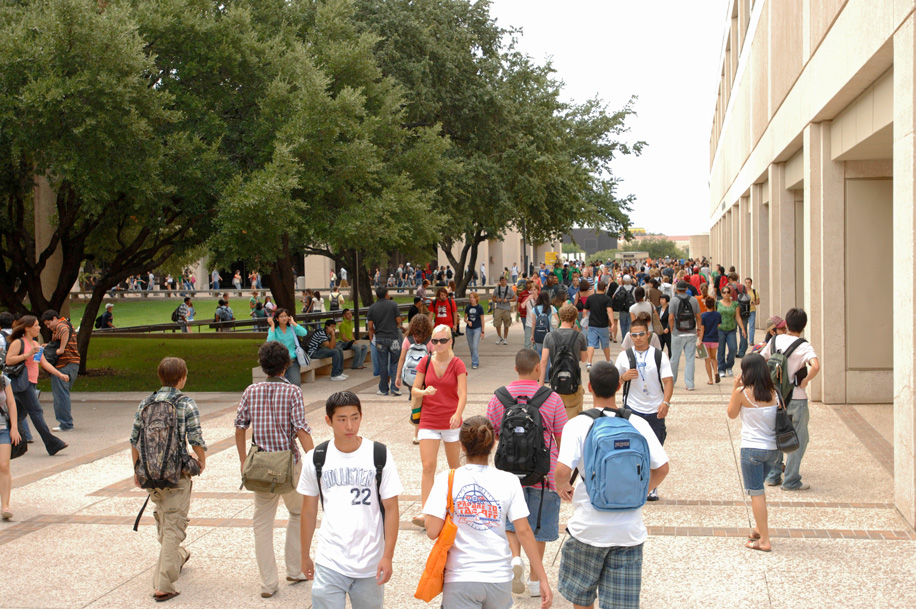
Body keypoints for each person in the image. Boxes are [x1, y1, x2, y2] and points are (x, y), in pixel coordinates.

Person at [555, 362, 669, 609]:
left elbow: (562, 471)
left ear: (588, 387)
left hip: (587, 530)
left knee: (582, 600)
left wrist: (561, 486)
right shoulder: (637, 423)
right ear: (619, 386)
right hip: (628, 532)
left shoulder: (576, 425)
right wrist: (639, 491)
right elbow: (662, 468)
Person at [423, 416, 553, 608]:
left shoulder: (447, 479)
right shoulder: (509, 480)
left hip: (460, 578)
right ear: (492, 445)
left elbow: (432, 531)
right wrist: (542, 579)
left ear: (462, 446)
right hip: (499, 578)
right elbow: (524, 531)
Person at [298, 391, 402, 609]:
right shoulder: (316, 458)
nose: (349, 426)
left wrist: (388, 556)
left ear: (361, 416)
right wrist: (305, 554)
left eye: (355, 418)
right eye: (342, 419)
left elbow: (391, 508)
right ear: (328, 420)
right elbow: (308, 510)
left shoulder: (379, 454)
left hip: (370, 561)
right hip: (330, 559)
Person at [235, 342, 314, 597]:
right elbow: (301, 429)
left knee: (262, 524)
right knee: (298, 513)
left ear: (262, 365)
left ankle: (268, 583)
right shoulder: (292, 393)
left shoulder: (251, 391)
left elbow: (239, 427)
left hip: (260, 466)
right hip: (288, 464)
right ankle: (295, 568)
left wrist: (242, 461)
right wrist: (314, 460)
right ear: (286, 364)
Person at [486, 350, 566, 598]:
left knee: (513, 521)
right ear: (537, 369)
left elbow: (493, 433)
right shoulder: (552, 398)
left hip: (509, 474)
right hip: (544, 474)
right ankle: (534, 580)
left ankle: (515, 558)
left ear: (515, 368)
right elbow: (561, 437)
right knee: (538, 525)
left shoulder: (499, 397)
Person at [130, 357, 207, 602]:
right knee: (173, 524)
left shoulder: (146, 403)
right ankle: (163, 584)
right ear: (182, 377)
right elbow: (195, 439)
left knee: (165, 519)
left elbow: (134, 440)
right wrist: (202, 461)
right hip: (177, 474)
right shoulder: (186, 404)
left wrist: (137, 469)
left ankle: (178, 555)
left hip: (150, 473)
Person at [410, 324, 467, 528]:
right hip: (429, 420)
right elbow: (415, 389)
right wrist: (424, 392)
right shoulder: (425, 362)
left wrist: (458, 414)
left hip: (451, 420)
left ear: (451, 341)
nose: (439, 344)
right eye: (435, 341)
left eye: (443, 340)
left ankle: (456, 508)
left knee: (455, 468)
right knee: (428, 467)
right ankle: (427, 512)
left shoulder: (458, 364)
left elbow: (463, 393)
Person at [759, 308, 820, 491]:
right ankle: (791, 480)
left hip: (776, 397)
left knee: (776, 432)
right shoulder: (804, 346)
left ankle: (773, 475)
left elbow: (761, 360)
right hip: (796, 398)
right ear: (804, 325)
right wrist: (805, 381)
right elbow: (815, 366)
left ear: (786, 323)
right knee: (799, 438)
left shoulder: (775, 340)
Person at [615, 317, 673, 500]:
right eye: (634, 335)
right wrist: (623, 378)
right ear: (630, 336)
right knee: (633, 448)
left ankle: (651, 486)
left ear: (648, 334)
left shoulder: (659, 355)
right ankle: (636, 483)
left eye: (641, 334)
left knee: (655, 448)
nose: (638, 338)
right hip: (633, 409)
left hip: (655, 409)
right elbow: (613, 385)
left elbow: (668, 381)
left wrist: (666, 402)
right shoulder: (624, 356)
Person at [727, 353, 780, 552]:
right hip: (772, 451)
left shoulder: (742, 392)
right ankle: (759, 528)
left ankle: (764, 540)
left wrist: (734, 389)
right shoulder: (775, 392)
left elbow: (731, 415)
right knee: (760, 491)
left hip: (751, 450)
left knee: (756, 493)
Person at [5, 316, 69, 455]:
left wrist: (59, 374)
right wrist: (26, 355)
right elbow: (9, 360)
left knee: (19, 416)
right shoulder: (18, 343)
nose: (39, 328)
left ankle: (11, 443)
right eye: (36, 325)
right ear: (27, 328)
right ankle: (52, 443)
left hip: (31, 382)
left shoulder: (35, 344)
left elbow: (44, 363)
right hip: (22, 383)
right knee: (36, 412)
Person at [540, 303, 588, 420]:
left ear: (560, 318)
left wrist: (541, 386)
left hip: (556, 384)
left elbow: (544, 361)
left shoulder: (549, 336)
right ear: (574, 319)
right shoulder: (579, 336)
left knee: (557, 420)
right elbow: (584, 358)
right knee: (575, 420)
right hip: (575, 383)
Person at [38, 310, 80, 432]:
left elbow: (64, 332)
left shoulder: (61, 325)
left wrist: (61, 349)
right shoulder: (67, 324)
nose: (48, 327)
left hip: (64, 364)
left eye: (48, 323)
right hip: (73, 364)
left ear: (54, 319)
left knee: (60, 395)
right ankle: (66, 422)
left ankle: (65, 424)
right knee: (63, 393)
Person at [367, 287, 403, 397]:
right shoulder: (393, 305)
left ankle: (383, 389)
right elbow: (398, 320)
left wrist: (375, 332)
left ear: (376, 295)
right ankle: (395, 387)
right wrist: (396, 326)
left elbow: (370, 325)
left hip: (380, 338)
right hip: (393, 337)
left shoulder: (372, 308)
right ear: (387, 294)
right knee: (395, 362)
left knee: (382, 363)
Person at [668, 280, 702, 391]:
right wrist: (698, 328)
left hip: (678, 333)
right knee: (690, 359)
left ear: (676, 289)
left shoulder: (673, 300)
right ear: (686, 289)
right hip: (691, 332)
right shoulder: (693, 300)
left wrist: (672, 329)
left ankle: (671, 383)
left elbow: (671, 317)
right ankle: (690, 384)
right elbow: (698, 316)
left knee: (674, 359)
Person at [266, 309, 308, 386]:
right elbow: (269, 342)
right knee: (280, 384)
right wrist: (272, 325)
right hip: (279, 360)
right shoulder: (274, 329)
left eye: (285, 316)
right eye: (281, 316)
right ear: (277, 319)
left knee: (296, 383)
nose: (284, 318)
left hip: (292, 360)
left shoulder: (291, 328)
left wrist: (293, 323)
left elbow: (304, 333)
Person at [0, 373, 21, 520]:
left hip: (2, 428)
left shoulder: (3, 379)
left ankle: (5, 506)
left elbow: (11, 403)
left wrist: (14, 427)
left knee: (4, 465)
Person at [716, 287, 746, 377]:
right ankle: (721, 369)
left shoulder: (735, 304)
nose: (726, 294)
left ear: (730, 294)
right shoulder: (717, 303)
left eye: (728, 292)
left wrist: (743, 329)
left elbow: (737, 317)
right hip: (720, 329)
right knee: (721, 350)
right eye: (724, 292)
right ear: (721, 294)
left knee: (733, 348)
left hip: (731, 330)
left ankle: (729, 366)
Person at [584, 280, 614, 368]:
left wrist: (585, 321)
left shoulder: (590, 298)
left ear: (597, 288)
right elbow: (609, 311)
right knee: (605, 344)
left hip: (592, 324)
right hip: (603, 325)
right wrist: (612, 323)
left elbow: (585, 311)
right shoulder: (607, 299)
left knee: (591, 344)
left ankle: (589, 362)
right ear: (605, 288)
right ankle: (608, 360)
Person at [529, 290, 559, 372]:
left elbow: (534, 323)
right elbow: (557, 321)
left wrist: (532, 335)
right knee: (547, 355)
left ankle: (539, 374)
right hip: (550, 334)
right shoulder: (552, 308)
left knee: (539, 354)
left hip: (538, 334)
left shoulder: (535, 309)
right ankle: (545, 376)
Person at [701, 296, 722, 384]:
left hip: (705, 339)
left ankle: (710, 379)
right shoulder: (718, 314)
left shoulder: (703, 316)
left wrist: (700, 340)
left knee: (707, 360)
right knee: (714, 358)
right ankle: (716, 371)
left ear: (705, 305)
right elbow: (719, 325)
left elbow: (702, 329)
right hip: (715, 339)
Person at [737, 277, 760, 357]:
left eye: (749, 282)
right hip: (744, 312)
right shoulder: (742, 292)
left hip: (752, 310)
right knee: (745, 327)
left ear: (751, 283)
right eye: (746, 282)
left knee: (752, 325)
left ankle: (751, 340)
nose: (747, 284)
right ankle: (747, 342)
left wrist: (754, 303)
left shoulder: (754, 291)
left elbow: (758, 301)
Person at [464, 291, 485, 369]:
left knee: (475, 346)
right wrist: (468, 321)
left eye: (473, 297)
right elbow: (465, 318)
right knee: (471, 346)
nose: (472, 299)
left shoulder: (479, 308)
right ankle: (474, 359)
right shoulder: (468, 307)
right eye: (470, 298)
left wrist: (482, 331)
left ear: (476, 298)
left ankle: (475, 362)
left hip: (477, 328)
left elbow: (482, 320)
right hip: (469, 329)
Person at [611, 275, 636, 341]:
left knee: (623, 325)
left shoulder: (620, 288)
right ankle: (629, 339)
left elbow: (614, 296)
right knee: (629, 325)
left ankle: (624, 339)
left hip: (622, 309)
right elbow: (636, 299)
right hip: (631, 309)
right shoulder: (634, 288)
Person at [492, 276, 515, 345]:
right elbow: (493, 297)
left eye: (504, 280)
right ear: (500, 281)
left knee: (506, 324)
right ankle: (499, 336)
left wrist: (508, 300)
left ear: (506, 281)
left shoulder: (509, 289)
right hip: (499, 307)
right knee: (497, 323)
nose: (503, 281)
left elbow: (514, 298)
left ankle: (505, 338)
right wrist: (496, 300)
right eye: (502, 280)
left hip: (506, 308)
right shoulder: (497, 289)